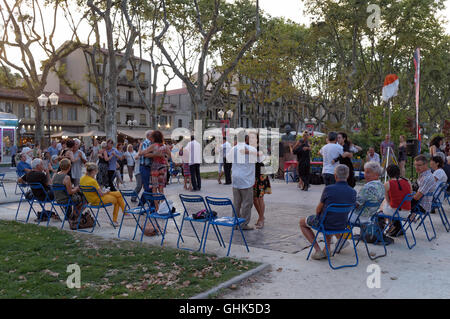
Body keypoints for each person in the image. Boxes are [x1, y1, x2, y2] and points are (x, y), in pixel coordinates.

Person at [299, 164, 356, 260]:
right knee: (328, 217)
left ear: (335, 175)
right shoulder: (353, 192)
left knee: (302, 222)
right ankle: (327, 248)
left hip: (327, 223)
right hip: (342, 225)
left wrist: (318, 215)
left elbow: (318, 209)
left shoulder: (329, 189)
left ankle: (318, 250)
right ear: (348, 176)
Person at [226, 131, 261, 230]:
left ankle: (235, 222)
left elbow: (228, 159)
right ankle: (243, 224)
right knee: (247, 203)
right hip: (246, 180)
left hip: (236, 179)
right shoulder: (251, 149)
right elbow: (261, 159)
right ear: (246, 139)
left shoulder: (234, 148)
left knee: (236, 203)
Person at [80, 162, 125, 227]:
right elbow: (101, 194)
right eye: (96, 171)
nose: (97, 173)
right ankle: (116, 219)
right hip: (98, 200)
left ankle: (124, 212)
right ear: (93, 171)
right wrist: (106, 191)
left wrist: (105, 191)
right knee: (117, 199)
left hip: (91, 200)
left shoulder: (82, 179)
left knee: (118, 194)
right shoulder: (92, 181)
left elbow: (97, 192)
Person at [381, 164, 412, 237]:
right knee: (390, 205)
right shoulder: (408, 181)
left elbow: (388, 201)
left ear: (388, 173)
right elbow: (410, 194)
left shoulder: (387, 184)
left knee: (383, 204)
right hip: (407, 212)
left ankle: (391, 227)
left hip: (396, 212)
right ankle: (393, 227)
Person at [253, 134, 271, 229]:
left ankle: (261, 219)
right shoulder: (250, 148)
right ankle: (261, 216)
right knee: (254, 198)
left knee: (260, 197)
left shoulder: (260, 148)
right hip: (253, 174)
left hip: (260, 174)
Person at [146, 130, 171, 196]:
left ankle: (156, 206)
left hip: (155, 167)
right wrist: (165, 157)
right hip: (163, 167)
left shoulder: (153, 146)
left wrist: (155, 155)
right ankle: (161, 205)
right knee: (161, 188)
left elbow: (145, 154)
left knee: (154, 188)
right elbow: (170, 155)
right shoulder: (165, 146)